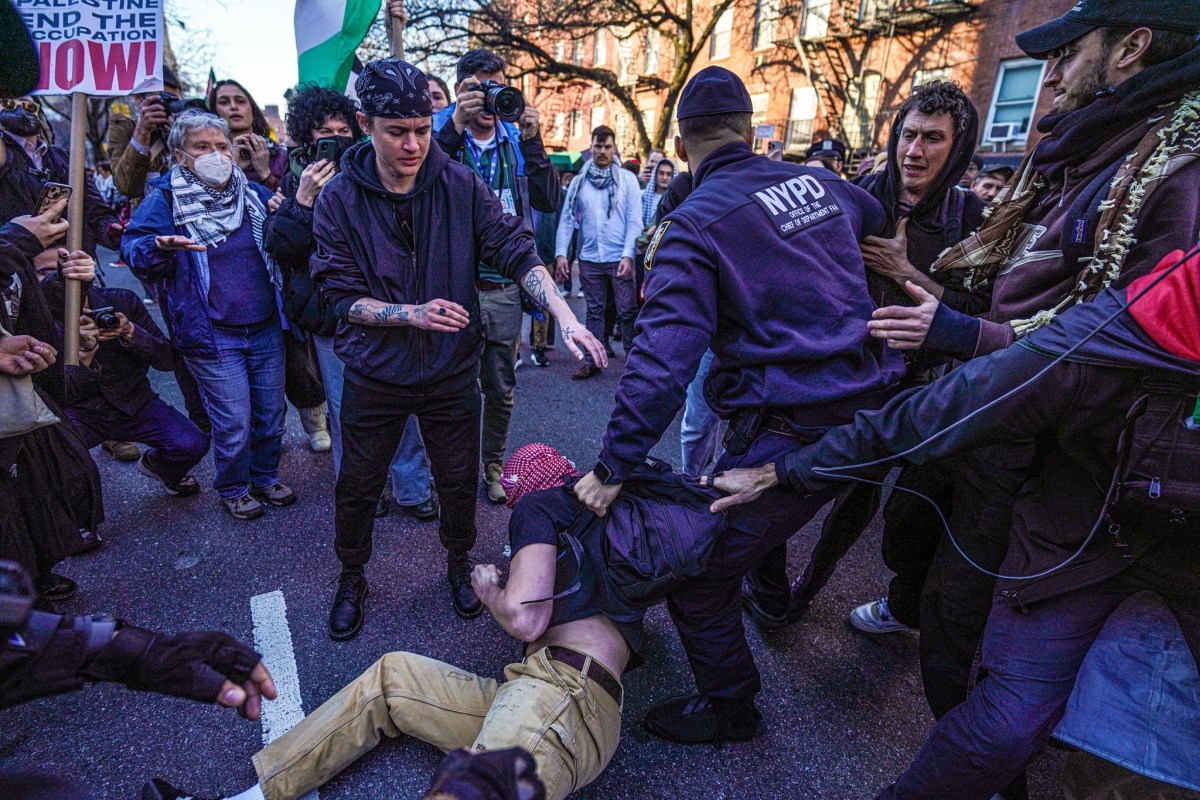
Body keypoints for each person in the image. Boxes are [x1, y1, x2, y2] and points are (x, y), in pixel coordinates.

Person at [709, 244, 1200, 799]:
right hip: (1085, 538)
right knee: (1001, 728)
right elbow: (947, 406)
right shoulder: (1136, 320)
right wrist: (786, 469)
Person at [572, 66, 903, 744]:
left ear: (682, 142)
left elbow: (662, 363)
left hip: (796, 428)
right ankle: (773, 601)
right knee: (746, 522)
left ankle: (731, 709)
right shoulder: (822, 184)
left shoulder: (692, 225)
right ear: (751, 132)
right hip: (873, 413)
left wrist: (611, 467)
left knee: (700, 575)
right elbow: (876, 214)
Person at [146, 443, 637, 800]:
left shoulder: (541, 507)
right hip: (543, 693)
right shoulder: (614, 537)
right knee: (392, 675)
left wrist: (489, 589)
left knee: (474, 792)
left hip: (562, 697)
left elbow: (526, 621)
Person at [310, 59, 603, 638]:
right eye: (398, 131)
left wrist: (566, 315)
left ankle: (457, 564)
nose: (414, 143)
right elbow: (338, 296)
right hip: (375, 373)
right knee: (359, 486)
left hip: (449, 372)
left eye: (423, 127)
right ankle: (352, 574)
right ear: (366, 124)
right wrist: (409, 315)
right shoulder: (340, 198)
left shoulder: (458, 181)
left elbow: (515, 246)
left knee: (458, 479)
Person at [762, 81, 991, 638]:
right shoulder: (855, 194)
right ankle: (772, 593)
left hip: (919, 390)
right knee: (781, 484)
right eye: (908, 135)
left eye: (933, 139)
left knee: (875, 509)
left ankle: (816, 591)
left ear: (957, 149)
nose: (915, 150)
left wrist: (908, 272)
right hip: (837, 378)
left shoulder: (973, 218)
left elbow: (981, 314)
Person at [266, 84, 437, 520]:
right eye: (326, 131)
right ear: (308, 136)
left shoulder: (377, 173)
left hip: (388, 311)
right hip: (331, 319)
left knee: (406, 406)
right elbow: (283, 250)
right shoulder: (293, 183)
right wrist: (303, 201)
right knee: (348, 413)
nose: (337, 138)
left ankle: (414, 488)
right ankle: (365, 489)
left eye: (345, 130)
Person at [123, 109, 297, 521]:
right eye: (202, 147)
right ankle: (234, 487)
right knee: (234, 421)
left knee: (271, 416)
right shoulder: (166, 198)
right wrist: (159, 248)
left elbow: (282, 244)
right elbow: (135, 248)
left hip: (266, 325)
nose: (215, 154)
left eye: (221, 146)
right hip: (213, 332)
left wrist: (283, 213)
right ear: (182, 155)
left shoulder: (251, 193)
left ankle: (265, 475)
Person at [432, 48, 561, 504]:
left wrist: (533, 139)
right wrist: (453, 128)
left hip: (505, 287)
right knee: (452, 387)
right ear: (459, 91)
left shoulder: (514, 138)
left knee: (501, 388)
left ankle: (492, 465)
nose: (487, 101)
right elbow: (422, 186)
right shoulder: (439, 136)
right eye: (476, 89)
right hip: (455, 286)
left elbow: (548, 202)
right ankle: (453, 466)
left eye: (495, 88)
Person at [1, 206, 105, 601]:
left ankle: (34, 575)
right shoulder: (11, 240)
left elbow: (23, 308)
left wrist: (67, 284)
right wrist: (15, 242)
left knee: (43, 486)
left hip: (24, 396)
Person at [39, 270, 209, 499]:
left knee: (192, 443)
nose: (57, 277)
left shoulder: (121, 301)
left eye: (63, 270)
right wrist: (83, 354)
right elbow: (54, 394)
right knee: (53, 461)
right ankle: (84, 523)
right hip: (80, 411)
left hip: (135, 402)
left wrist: (131, 332)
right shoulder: (38, 319)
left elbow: (167, 359)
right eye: (43, 272)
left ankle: (160, 468)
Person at [554, 125, 642, 380]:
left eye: (607, 147)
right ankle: (593, 361)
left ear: (614, 149)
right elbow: (568, 219)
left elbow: (635, 221)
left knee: (627, 311)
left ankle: (635, 365)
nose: (602, 151)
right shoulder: (580, 181)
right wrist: (562, 253)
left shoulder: (627, 180)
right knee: (594, 311)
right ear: (590, 147)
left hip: (618, 258)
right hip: (590, 258)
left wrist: (628, 255)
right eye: (598, 146)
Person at [107, 66, 184, 207]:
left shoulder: (187, 129)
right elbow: (127, 187)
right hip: (151, 219)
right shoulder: (125, 128)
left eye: (174, 101)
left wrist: (179, 136)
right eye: (162, 100)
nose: (168, 106)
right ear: (139, 98)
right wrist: (142, 132)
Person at [208, 79, 288, 192]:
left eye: (240, 101)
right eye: (224, 102)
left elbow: (290, 204)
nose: (233, 106)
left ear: (252, 109)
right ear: (214, 111)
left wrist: (265, 173)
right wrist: (232, 170)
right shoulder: (208, 157)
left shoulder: (281, 156)